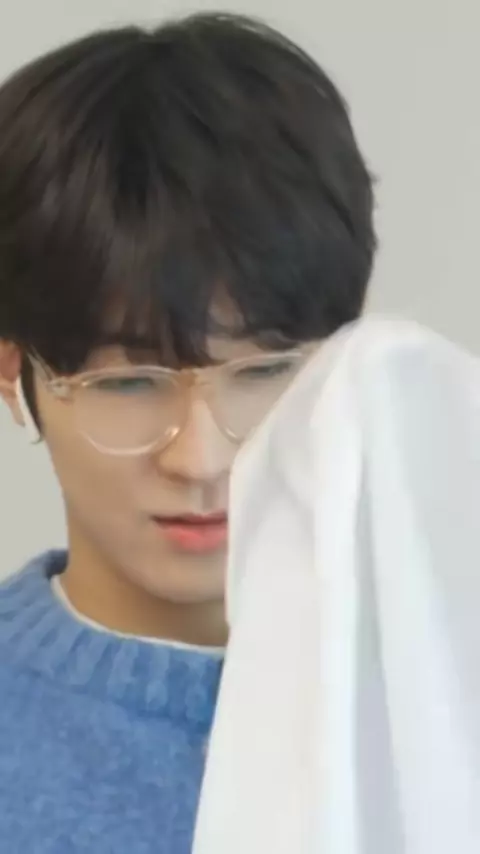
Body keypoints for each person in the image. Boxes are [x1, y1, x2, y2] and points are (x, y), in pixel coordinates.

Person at [0, 12, 375, 853]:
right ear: (13, 371)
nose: (200, 458)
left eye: (265, 372)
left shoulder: (435, 685)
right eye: (126, 382)